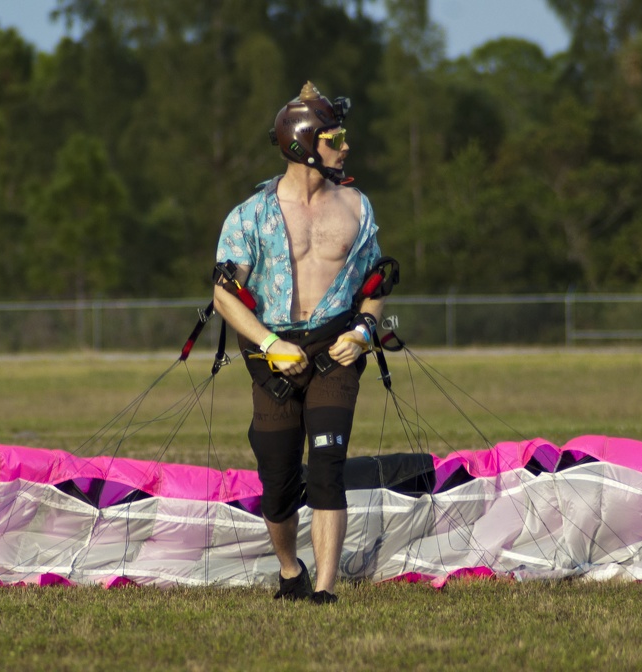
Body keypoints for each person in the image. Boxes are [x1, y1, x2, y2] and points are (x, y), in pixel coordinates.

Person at [213, 81, 387, 605]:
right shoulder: (249, 215)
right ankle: (291, 570)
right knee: (278, 476)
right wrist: (269, 343)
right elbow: (224, 297)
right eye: (336, 138)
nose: (346, 147)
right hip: (274, 356)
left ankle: (326, 590)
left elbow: (376, 284)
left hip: (335, 349)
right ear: (304, 143)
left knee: (328, 462)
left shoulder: (357, 206)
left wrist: (362, 332)